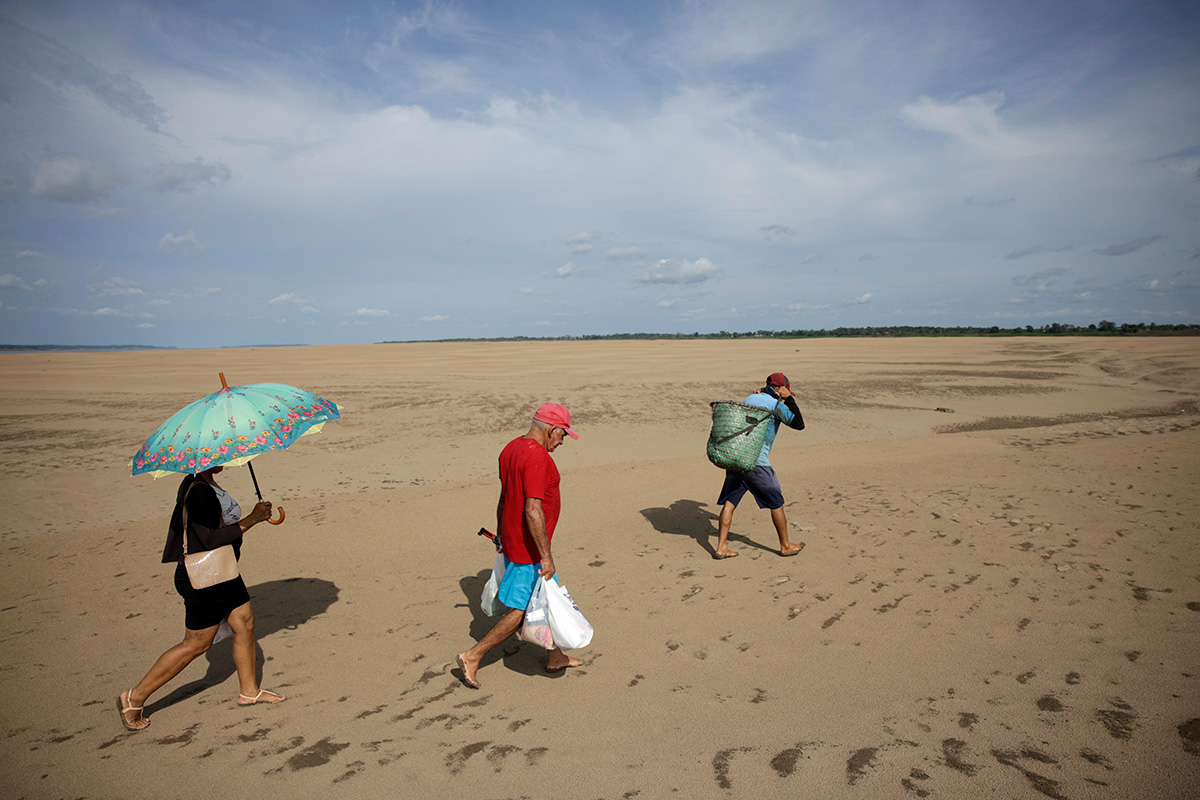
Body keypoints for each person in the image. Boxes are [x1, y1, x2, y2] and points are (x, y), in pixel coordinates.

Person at [118, 465, 284, 731]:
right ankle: (134, 697)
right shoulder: (198, 491)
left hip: (224, 571)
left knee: (243, 623)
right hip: (204, 578)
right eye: (219, 455)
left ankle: (250, 691)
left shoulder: (205, 483)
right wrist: (251, 519)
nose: (226, 459)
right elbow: (208, 539)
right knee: (196, 644)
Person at [456, 403, 584, 688]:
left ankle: (555, 656)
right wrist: (545, 555)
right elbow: (532, 509)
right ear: (551, 429)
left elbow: (504, 497)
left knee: (546, 597)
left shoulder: (511, 448)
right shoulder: (537, 457)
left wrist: (501, 534)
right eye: (562, 435)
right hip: (529, 549)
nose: (562, 442)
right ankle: (473, 655)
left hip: (516, 540)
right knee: (523, 608)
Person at [714, 372, 806, 559]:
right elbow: (798, 424)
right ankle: (786, 545)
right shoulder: (776, 405)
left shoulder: (750, 397)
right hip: (757, 462)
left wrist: (765, 392)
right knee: (777, 503)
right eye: (786, 390)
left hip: (737, 457)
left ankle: (721, 547)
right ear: (780, 388)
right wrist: (789, 401)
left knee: (730, 503)